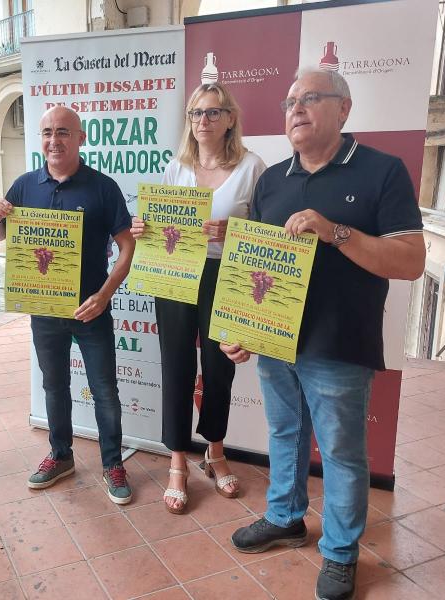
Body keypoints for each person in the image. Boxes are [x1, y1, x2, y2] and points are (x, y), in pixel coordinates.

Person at [222, 68, 425, 600]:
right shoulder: (272, 180)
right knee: (284, 435)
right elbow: (254, 266)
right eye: (290, 101)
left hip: (340, 342)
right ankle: (285, 518)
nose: (296, 108)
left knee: (340, 452)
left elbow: (411, 261)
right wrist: (241, 326)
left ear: (344, 108)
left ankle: (339, 552)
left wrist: (335, 232)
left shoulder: (382, 171)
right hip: (276, 340)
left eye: (310, 98)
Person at [0, 106, 136, 505]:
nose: (55, 140)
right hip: (44, 311)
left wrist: (104, 295)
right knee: (54, 386)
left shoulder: (103, 187)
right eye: (48, 132)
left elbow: (127, 247)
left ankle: (112, 464)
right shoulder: (24, 186)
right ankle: (61, 455)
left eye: (64, 132)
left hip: (91, 311)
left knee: (105, 391)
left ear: (81, 138)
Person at [130, 83, 265, 514]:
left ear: (230, 119)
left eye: (212, 112)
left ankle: (215, 451)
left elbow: (270, 232)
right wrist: (142, 229)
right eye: (195, 113)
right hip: (176, 273)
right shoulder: (177, 168)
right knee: (176, 365)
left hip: (226, 275)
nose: (202, 121)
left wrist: (235, 231)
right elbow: (160, 223)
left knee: (220, 367)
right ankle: (177, 461)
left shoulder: (252, 167)